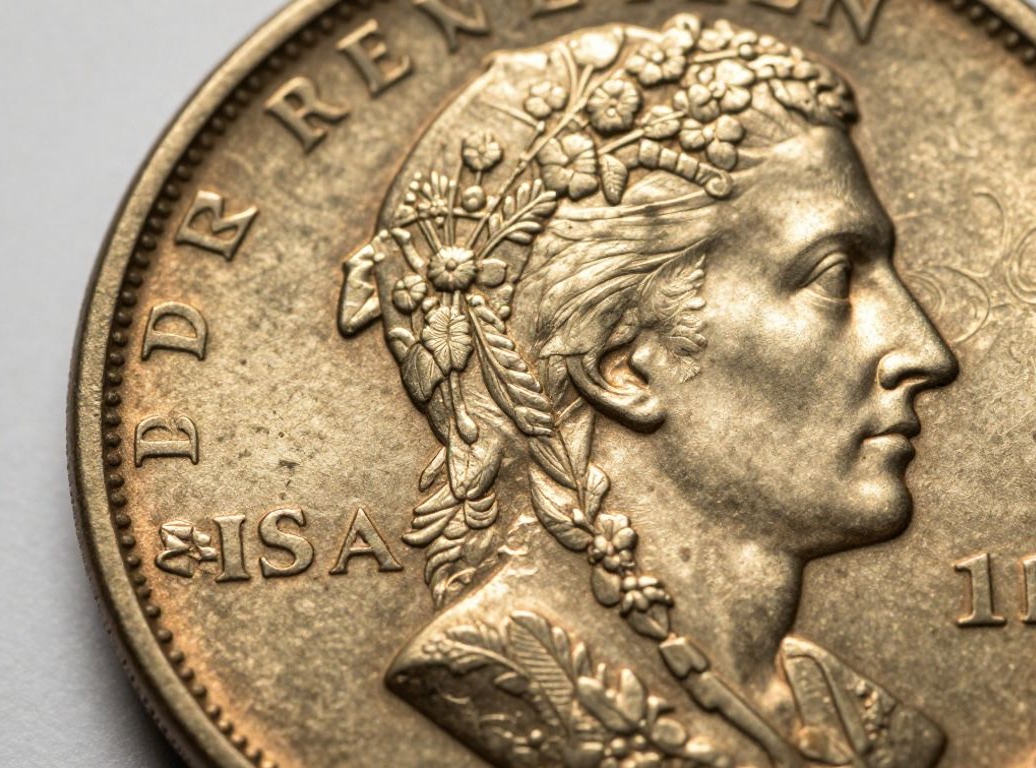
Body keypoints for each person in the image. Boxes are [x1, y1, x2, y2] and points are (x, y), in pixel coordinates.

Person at [338, 15, 957, 768]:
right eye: (833, 277)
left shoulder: (861, 724)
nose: (929, 353)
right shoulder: (497, 682)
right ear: (620, 364)